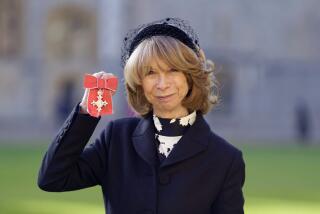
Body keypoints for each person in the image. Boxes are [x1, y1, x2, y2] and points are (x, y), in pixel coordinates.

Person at [38, 17, 245, 214]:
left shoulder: (225, 159)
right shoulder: (116, 139)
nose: (162, 84)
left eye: (173, 70)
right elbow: (52, 178)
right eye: (150, 73)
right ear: (139, 83)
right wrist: (86, 111)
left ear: (190, 77)